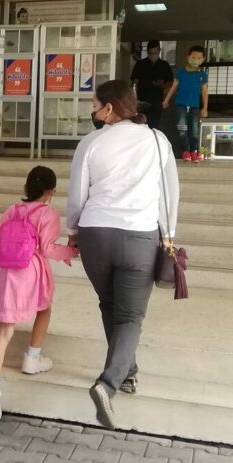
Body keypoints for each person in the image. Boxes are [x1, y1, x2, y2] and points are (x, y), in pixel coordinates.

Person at [66, 80, 179, 430]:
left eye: (94, 104)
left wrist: (72, 232)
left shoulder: (90, 143)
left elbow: (76, 195)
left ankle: (127, 372)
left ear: (110, 108)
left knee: (109, 304)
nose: (91, 110)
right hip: (138, 235)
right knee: (130, 316)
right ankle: (108, 383)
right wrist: (168, 234)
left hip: (95, 234)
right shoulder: (158, 140)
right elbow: (168, 193)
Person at [0, 166, 78, 421]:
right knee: (44, 308)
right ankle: (32, 357)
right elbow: (47, 248)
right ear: (50, 191)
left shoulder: (13, 210)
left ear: (27, 187)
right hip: (32, 271)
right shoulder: (48, 214)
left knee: (5, 329)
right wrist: (70, 252)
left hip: (9, 273)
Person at [162, 45, 208, 162]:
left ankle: (194, 151)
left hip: (194, 106)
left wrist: (205, 108)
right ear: (188, 57)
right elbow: (174, 86)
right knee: (182, 129)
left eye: (199, 58)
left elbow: (204, 92)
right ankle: (185, 151)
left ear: (203, 60)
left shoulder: (202, 75)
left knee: (194, 130)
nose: (195, 60)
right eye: (193, 57)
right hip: (180, 105)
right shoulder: (181, 72)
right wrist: (166, 100)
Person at [130, 40, 173, 129]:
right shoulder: (140, 64)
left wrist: (162, 86)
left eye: (155, 53)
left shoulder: (164, 65)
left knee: (154, 125)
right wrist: (134, 99)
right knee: (141, 125)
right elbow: (134, 82)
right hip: (142, 101)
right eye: (150, 53)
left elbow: (170, 83)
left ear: (159, 51)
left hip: (157, 101)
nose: (153, 55)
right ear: (147, 52)